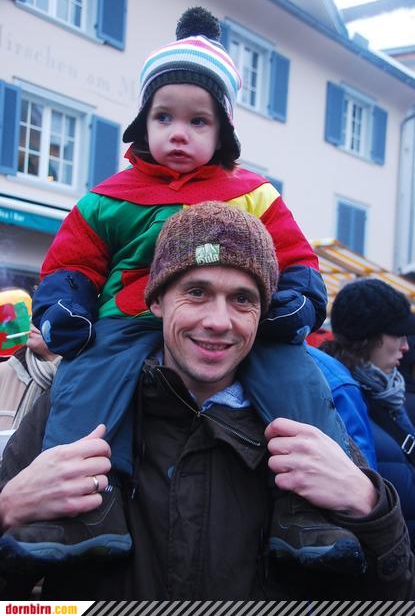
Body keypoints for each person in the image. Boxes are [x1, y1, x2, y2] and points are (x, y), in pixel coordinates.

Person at [25, 6, 347, 568]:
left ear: (223, 132)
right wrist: (66, 306)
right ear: (142, 123)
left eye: (199, 121)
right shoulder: (108, 198)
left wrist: (297, 300)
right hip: (126, 318)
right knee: (84, 384)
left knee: (296, 377)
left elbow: (296, 257)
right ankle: (80, 505)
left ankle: (308, 506)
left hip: (245, 325)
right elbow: (73, 261)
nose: (179, 132)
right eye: (164, 116)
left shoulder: (253, 194)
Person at [0, 203, 412, 600]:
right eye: (197, 292)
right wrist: (6, 511)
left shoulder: (308, 418)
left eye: (243, 299)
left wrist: (370, 507)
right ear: (157, 301)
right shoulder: (74, 406)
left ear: (263, 312)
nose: (218, 321)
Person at [321, 278, 415, 548]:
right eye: (397, 335)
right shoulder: (338, 400)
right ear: (368, 338)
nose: (406, 346)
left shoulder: (387, 393)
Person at [306, 344, 377, 469]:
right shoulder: (336, 380)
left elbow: (362, 471)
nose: (405, 347)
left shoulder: (337, 381)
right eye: (397, 336)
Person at [0, 325, 60, 431]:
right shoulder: (3, 372)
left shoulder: (83, 380)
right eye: (33, 316)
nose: (33, 320)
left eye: (44, 316)